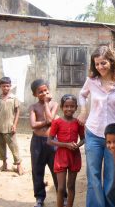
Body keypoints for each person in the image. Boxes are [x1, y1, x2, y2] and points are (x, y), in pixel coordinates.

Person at [77, 46, 115, 207]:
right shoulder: (91, 81)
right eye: (97, 64)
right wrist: (83, 110)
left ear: (111, 62)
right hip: (93, 133)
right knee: (93, 175)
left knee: (111, 176)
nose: (100, 67)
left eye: (103, 63)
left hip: (114, 138)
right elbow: (82, 95)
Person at [29, 79, 66, 207]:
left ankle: (62, 196)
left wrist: (46, 104)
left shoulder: (54, 104)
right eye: (40, 92)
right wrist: (47, 122)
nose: (44, 93)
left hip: (52, 141)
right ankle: (39, 198)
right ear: (35, 94)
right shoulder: (33, 107)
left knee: (57, 170)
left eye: (45, 90)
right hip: (37, 142)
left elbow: (50, 119)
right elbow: (33, 125)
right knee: (37, 170)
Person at [47, 94, 85, 207]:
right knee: (61, 188)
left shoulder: (78, 122)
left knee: (71, 186)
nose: (69, 109)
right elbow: (49, 141)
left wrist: (78, 145)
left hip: (74, 156)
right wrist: (65, 145)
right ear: (62, 107)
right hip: (61, 156)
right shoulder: (57, 122)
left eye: (72, 106)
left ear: (76, 107)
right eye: (66, 106)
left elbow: (83, 139)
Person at [0, 76, 23, 175]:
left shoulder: (14, 98)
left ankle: (19, 165)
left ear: (10, 86)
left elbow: (17, 112)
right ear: (0, 86)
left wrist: (15, 125)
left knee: (13, 146)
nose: (6, 88)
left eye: (8, 86)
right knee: (0, 146)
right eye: (4, 86)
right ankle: (4, 163)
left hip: (9, 126)